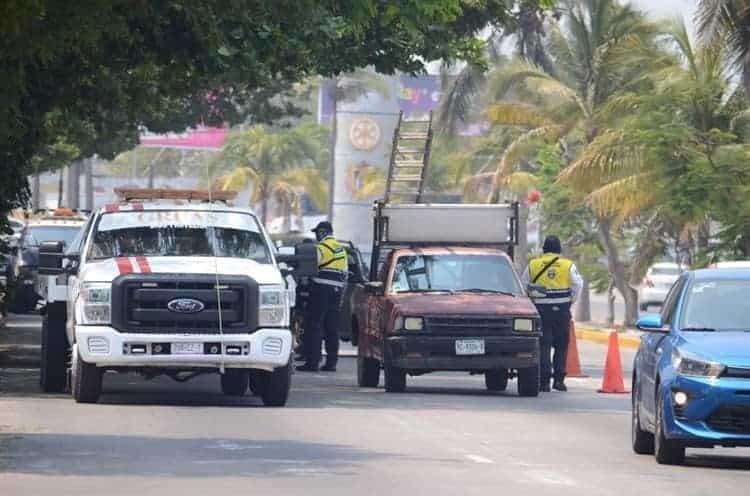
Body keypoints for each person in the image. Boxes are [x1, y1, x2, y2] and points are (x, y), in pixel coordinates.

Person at [521, 235, 583, 392]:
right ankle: (559, 381)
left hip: (541, 311)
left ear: (543, 250)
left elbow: (523, 285)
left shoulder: (533, 264)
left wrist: (532, 300)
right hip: (561, 311)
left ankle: (544, 383)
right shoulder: (568, 265)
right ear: (559, 250)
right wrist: (570, 300)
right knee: (561, 346)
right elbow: (577, 284)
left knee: (543, 345)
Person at [297, 221, 347, 372]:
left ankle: (312, 363)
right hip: (337, 290)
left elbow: (310, 267)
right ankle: (331, 363)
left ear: (322, 233)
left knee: (314, 325)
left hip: (321, 289)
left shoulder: (321, 248)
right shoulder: (340, 249)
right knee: (332, 327)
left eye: (316, 233)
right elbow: (344, 271)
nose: (316, 236)